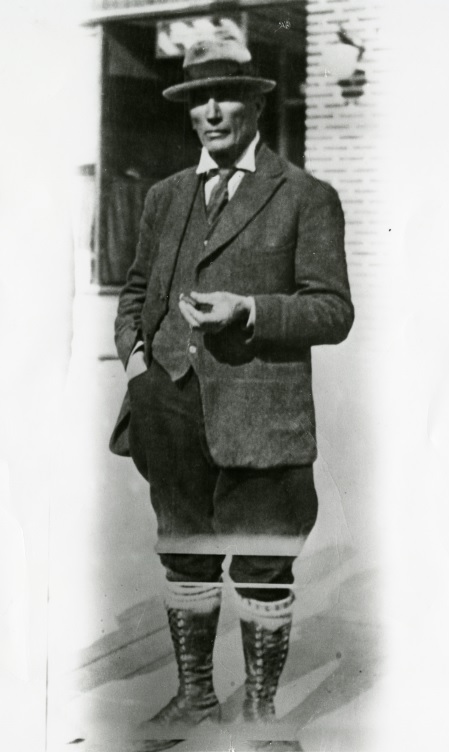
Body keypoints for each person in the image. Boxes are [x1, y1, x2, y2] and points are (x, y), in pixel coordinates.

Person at [110, 25, 354, 750]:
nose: (211, 111)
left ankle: (259, 715)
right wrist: (137, 365)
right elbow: (134, 294)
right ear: (188, 111)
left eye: (225, 96)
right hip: (170, 406)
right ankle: (192, 698)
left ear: (251, 105)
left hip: (262, 414)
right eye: (198, 99)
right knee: (183, 552)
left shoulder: (305, 195)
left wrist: (250, 310)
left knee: (261, 562)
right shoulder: (164, 196)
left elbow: (333, 310)